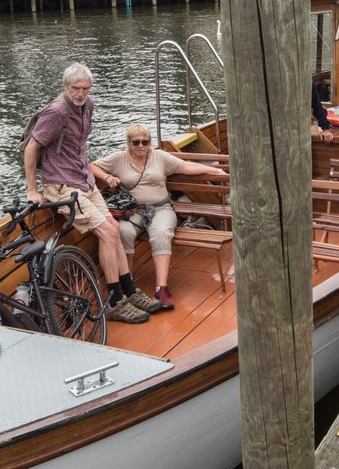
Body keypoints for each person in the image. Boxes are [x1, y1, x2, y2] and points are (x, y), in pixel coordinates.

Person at [24, 64, 159, 324]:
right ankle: (115, 301)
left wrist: (99, 177)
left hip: (84, 180)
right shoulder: (56, 111)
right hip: (61, 185)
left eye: (85, 88)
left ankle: (129, 292)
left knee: (113, 228)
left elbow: (79, 146)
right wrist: (32, 189)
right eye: (76, 88)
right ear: (66, 87)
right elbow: (32, 148)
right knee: (108, 232)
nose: (81, 93)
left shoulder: (88, 105)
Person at [92, 125, 228, 310]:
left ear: (150, 142)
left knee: (162, 233)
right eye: (136, 142)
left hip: (161, 208)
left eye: (145, 142)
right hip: (133, 210)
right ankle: (127, 284)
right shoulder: (118, 159)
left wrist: (214, 171)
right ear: (129, 143)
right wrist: (107, 177)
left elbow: (185, 166)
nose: (141, 146)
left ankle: (161, 288)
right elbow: (92, 166)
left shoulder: (160, 157)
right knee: (123, 231)